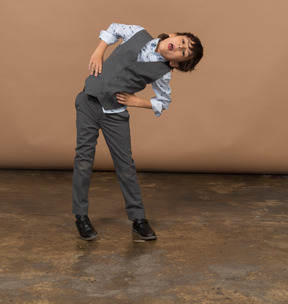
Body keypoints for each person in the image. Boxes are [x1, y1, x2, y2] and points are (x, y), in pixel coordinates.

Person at [72, 23, 203, 241]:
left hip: (115, 113)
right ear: (173, 34)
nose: (179, 47)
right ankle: (80, 216)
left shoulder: (162, 73)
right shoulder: (137, 33)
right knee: (83, 159)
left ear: (175, 63)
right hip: (89, 101)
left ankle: (138, 219)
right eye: (181, 42)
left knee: (125, 166)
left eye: (183, 52)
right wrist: (99, 50)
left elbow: (163, 102)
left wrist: (137, 101)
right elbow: (113, 28)